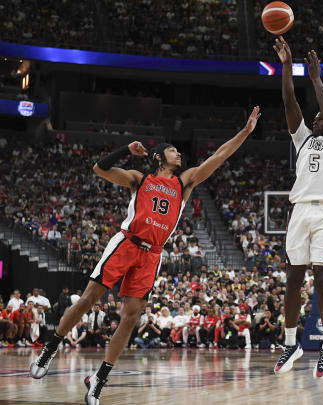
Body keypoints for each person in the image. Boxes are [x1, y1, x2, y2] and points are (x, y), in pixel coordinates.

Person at [30, 107, 262, 405]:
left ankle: (99, 378)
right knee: (88, 299)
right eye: (174, 151)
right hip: (126, 243)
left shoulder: (185, 182)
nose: (180, 154)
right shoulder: (140, 179)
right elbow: (100, 169)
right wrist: (126, 149)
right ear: (159, 157)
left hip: (152, 255)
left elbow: (219, 157)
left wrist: (245, 131)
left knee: (130, 317)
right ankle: (51, 348)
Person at [272, 36, 323, 380]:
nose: (318, 115)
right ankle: (290, 343)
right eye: (316, 114)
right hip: (299, 210)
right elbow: (290, 101)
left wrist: (317, 79)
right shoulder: (303, 138)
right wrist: (288, 66)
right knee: (293, 278)